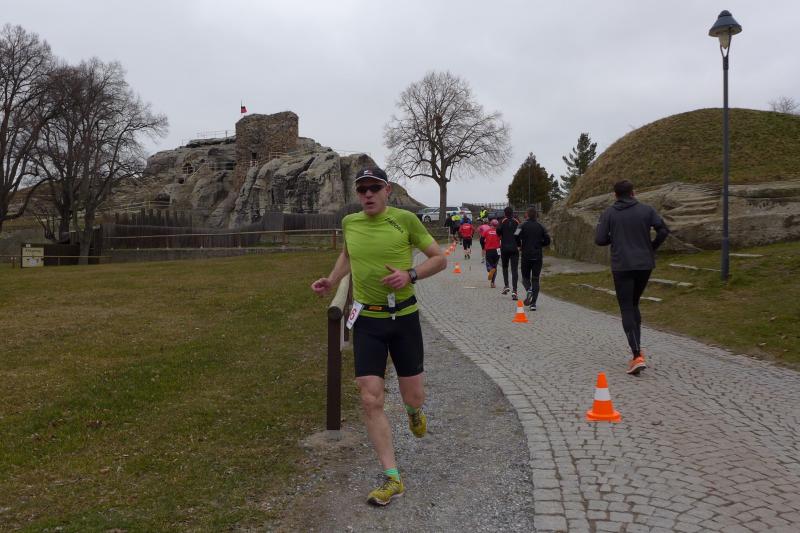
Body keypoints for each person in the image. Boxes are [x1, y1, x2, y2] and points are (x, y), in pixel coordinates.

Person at [311, 167, 447, 505]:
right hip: (367, 321)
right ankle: (392, 477)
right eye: (362, 189)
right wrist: (332, 280)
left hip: (403, 319)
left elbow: (439, 259)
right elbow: (348, 254)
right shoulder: (350, 223)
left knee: (413, 395)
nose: (368, 194)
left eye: (374, 188)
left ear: (387, 191)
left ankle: (414, 412)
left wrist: (410, 274)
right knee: (370, 398)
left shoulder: (406, 220)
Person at [595, 179, 670, 375]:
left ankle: (637, 355)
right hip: (644, 264)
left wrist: (615, 236)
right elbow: (663, 230)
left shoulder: (609, 213)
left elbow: (600, 239)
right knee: (634, 303)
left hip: (622, 265)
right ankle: (638, 349)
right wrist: (651, 247)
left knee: (627, 306)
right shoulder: (647, 210)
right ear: (633, 193)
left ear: (615, 195)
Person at [515, 207, 551, 311]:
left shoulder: (521, 225)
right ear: (536, 215)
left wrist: (519, 245)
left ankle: (529, 290)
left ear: (527, 215)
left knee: (525, 278)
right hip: (537, 256)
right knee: (535, 279)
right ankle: (533, 304)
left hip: (526, 255)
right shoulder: (541, 226)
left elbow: (515, 235)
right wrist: (541, 244)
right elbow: (548, 240)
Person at [496, 206, 521, 300]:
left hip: (505, 248)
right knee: (514, 270)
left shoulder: (502, 221)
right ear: (512, 212)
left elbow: (498, 231)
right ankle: (515, 291)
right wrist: (519, 245)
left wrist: (503, 234)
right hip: (514, 248)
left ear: (505, 213)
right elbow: (519, 233)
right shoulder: (517, 221)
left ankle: (506, 285)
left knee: (505, 267)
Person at [484, 219, 501, 288]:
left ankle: (490, 269)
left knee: (489, 264)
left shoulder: (487, 231)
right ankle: (492, 283)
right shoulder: (499, 232)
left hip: (489, 250)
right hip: (498, 250)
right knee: (495, 266)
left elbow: (482, 240)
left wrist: (484, 246)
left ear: (491, 224)